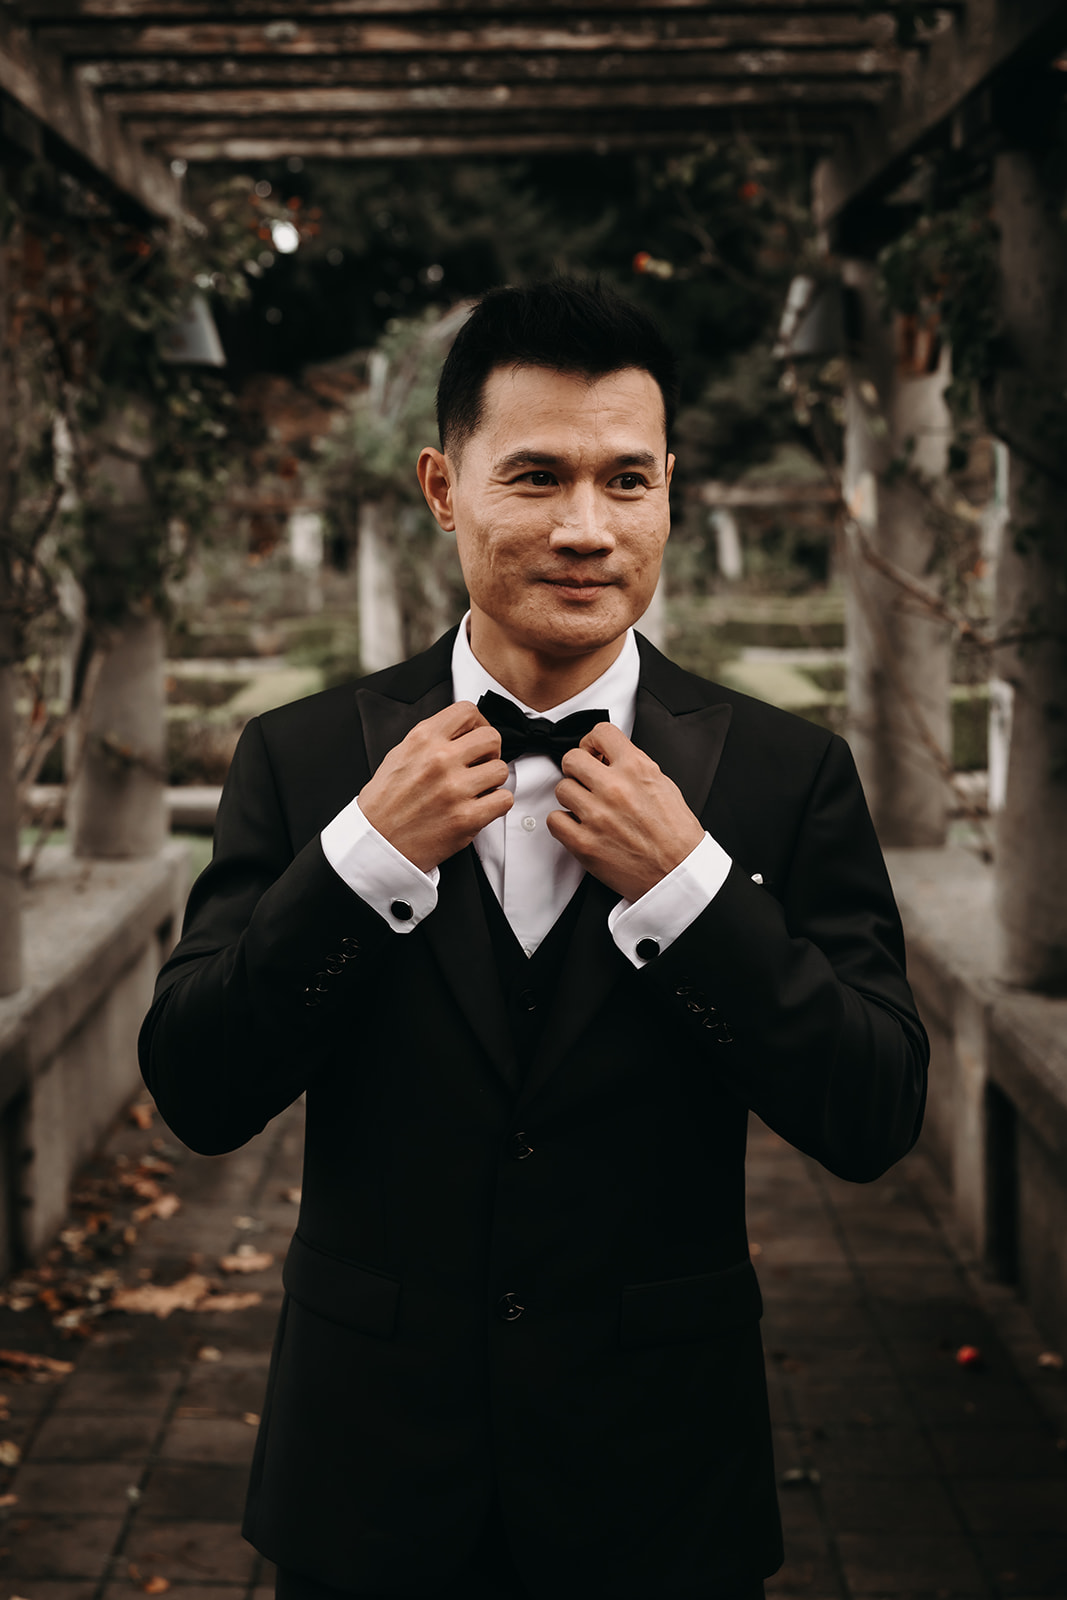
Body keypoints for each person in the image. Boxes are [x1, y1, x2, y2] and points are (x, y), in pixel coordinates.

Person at [139, 280, 928, 1600]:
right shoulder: (305, 757)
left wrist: (693, 892)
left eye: (627, 480)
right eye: (538, 477)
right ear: (445, 488)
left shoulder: (789, 776)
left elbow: (874, 1109)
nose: (586, 528)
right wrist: (363, 860)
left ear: (670, 485)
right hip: (371, 1479)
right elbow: (198, 1090)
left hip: (659, 1480)